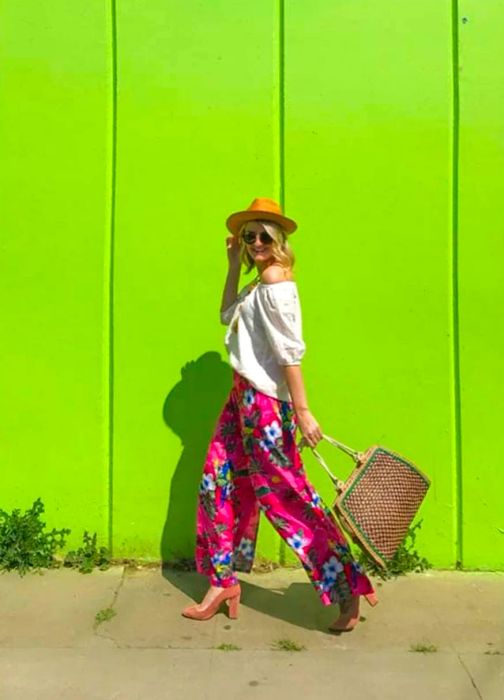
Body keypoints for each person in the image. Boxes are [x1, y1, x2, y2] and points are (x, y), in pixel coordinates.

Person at [181, 198, 377, 631]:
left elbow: (291, 353)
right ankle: (221, 582)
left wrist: (303, 410)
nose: (255, 243)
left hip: (267, 405)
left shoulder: (276, 281)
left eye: (263, 235)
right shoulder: (256, 283)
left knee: (287, 497)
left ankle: (348, 587)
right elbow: (225, 315)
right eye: (248, 235)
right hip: (240, 400)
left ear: (279, 238)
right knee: (216, 483)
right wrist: (233, 264)